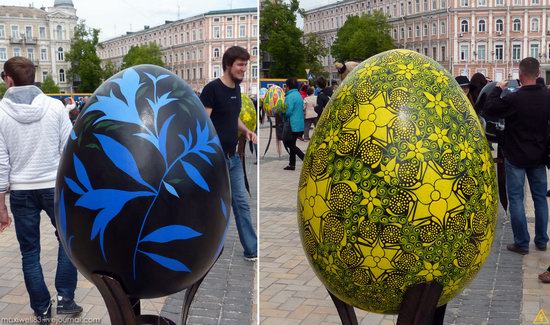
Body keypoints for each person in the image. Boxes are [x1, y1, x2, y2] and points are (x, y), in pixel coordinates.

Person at [0, 57, 82, 323]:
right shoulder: (55, 107)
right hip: (54, 186)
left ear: (9, 80)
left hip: (21, 191)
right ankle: (65, 299)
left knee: (30, 252)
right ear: (34, 77)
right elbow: (68, 149)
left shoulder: (0, 112)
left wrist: (1, 204)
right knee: (68, 242)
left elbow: (1, 162)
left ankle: (42, 309)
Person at [484, 57, 550, 255]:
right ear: (538, 74)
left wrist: (498, 88)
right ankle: (541, 240)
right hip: (539, 156)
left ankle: (521, 243)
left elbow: (489, 109)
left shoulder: (514, 98)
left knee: (516, 199)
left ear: (520, 76)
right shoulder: (547, 96)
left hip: (516, 156)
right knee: (540, 199)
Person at [199, 46, 258, 261]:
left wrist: (246, 131)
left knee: (241, 203)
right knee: (211, 205)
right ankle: (200, 251)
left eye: (245, 65)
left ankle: (252, 249)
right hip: (215, 160)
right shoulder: (212, 90)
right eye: (240, 65)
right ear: (228, 65)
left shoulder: (236, 90)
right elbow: (204, 124)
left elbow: (232, 118)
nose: (244, 69)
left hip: (233, 158)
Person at [282, 78, 305, 171]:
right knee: (292, 143)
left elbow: (288, 111)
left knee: (288, 143)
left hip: (292, 124)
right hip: (299, 124)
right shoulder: (298, 95)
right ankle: (292, 164)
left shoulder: (289, 96)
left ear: (288, 87)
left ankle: (305, 158)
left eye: (285, 86)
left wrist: (281, 112)